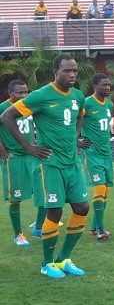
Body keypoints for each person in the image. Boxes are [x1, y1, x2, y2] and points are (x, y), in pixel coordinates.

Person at [1, 53, 89, 279]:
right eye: (67, 71)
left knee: (82, 208)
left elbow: (80, 115)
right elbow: (7, 116)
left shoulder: (78, 96)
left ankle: (64, 258)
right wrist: (28, 146)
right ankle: (46, 263)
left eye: (75, 71)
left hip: (72, 162)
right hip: (49, 164)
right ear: (55, 72)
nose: (72, 74)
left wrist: (75, 138)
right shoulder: (40, 95)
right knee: (54, 211)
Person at [0, 80, 46, 246]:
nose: (24, 95)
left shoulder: (28, 106)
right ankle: (18, 234)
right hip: (14, 158)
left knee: (44, 193)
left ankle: (39, 228)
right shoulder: (3, 107)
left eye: (26, 92)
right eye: (20, 93)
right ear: (10, 93)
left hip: (31, 156)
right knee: (15, 198)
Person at [79, 73, 114, 240]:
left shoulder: (109, 105)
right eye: (104, 85)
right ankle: (100, 229)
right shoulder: (86, 103)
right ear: (95, 87)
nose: (107, 88)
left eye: (109, 85)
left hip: (106, 152)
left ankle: (94, 227)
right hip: (91, 153)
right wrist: (76, 141)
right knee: (99, 188)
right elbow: (72, 121)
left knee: (105, 189)